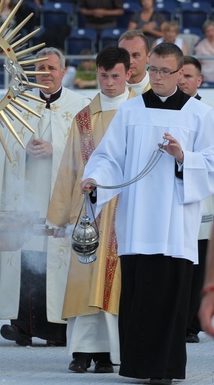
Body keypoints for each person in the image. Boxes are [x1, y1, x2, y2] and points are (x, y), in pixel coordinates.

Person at [81, 42, 214, 383]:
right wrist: (95, 178)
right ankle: (138, 366)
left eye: (163, 71)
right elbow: (110, 156)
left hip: (174, 223)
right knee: (140, 294)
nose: (155, 77)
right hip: (137, 220)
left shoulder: (200, 114)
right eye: (151, 69)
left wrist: (184, 156)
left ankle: (165, 369)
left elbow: (212, 163)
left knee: (169, 295)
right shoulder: (131, 110)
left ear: (180, 74)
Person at [0, 48, 89, 347]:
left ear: (63, 72)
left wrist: (56, 150)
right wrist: (22, 147)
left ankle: (57, 329)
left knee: (56, 261)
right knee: (26, 259)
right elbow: (1, 150)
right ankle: (22, 326)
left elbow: (89, 153)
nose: (45, 73)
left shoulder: (80, 107)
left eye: (51, 68)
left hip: (60, 200)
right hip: (24, 199)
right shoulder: (16, 105)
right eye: (39, 68)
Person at [46, 46, 133, 374]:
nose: (109, 83)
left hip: (126, 213)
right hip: (89, 213)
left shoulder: (138, 112)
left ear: (128, 74)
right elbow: (69, 168)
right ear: (94, 74)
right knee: (83, 278)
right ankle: (82, 350)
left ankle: (112, 352)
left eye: (115, 76)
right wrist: (59, 216)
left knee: (118, 282)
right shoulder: (84, 118)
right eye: (103, 75)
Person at [176, 55, 214, 345]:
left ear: (199, 81)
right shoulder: (170, 110)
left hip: (203, 199)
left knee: (199, 262)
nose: (182, 80)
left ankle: (191, 323)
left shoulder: (207, 112)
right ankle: (178, 320)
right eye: (180, 75)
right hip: (176, 199)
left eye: (188, 76)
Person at [119, 29, 152, 95]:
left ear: (148, 57)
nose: (130, 61)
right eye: (125, 56)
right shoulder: (109, 89)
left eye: (136, 55)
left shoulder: (162, 89)